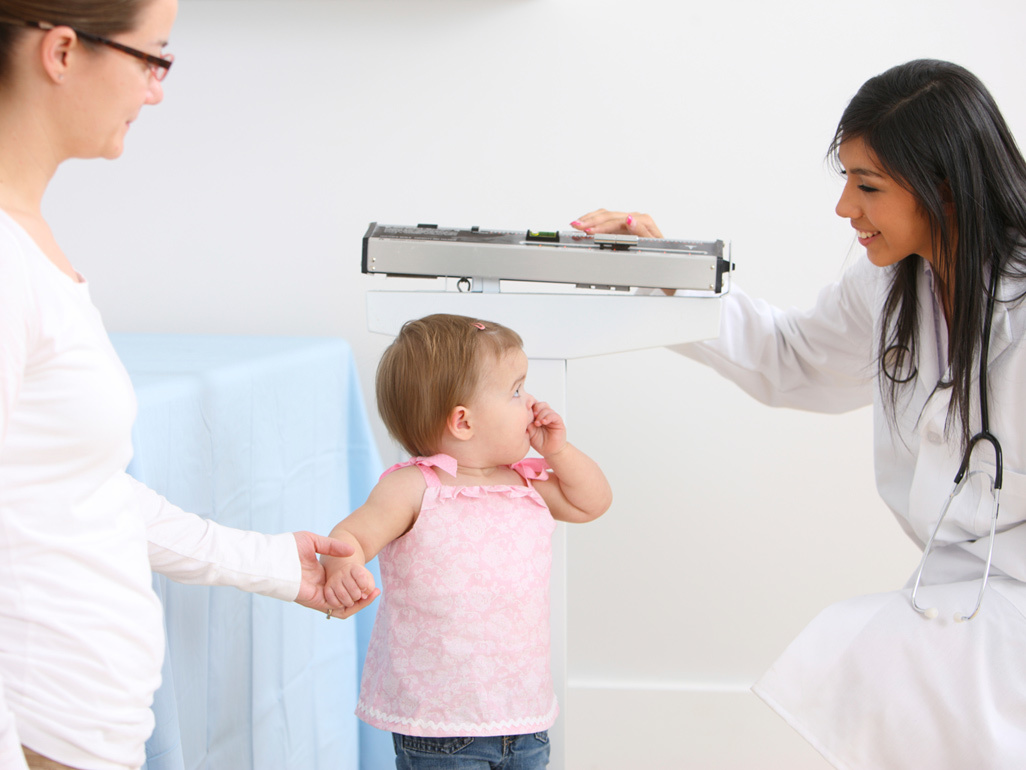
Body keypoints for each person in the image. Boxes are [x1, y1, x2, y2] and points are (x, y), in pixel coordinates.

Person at [572, 59, 1026, 769]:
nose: (846, 208)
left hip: (1010, 598)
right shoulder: (889, 286)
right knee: (874, 667)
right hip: (960, 590)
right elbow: (789, 356)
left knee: (871, 657)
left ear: (943, 188)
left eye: (867, 185)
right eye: (846, 179)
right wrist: (670, 274)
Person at [0, 2, 353, 769]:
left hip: (85, 726)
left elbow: (78, 490)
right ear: (62, 52)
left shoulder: (29, 240)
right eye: (151, 58)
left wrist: (271, 563)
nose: (156, 91)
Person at [321, 313, 612, 770]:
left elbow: (591, 502)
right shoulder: (415, 487)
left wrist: (556, 450)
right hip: (441, 723)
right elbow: (352, 536)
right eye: (516, 390)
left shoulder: (526, 482)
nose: (531, 401)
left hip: (522, 713)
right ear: (463, 421)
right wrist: (344, 567)